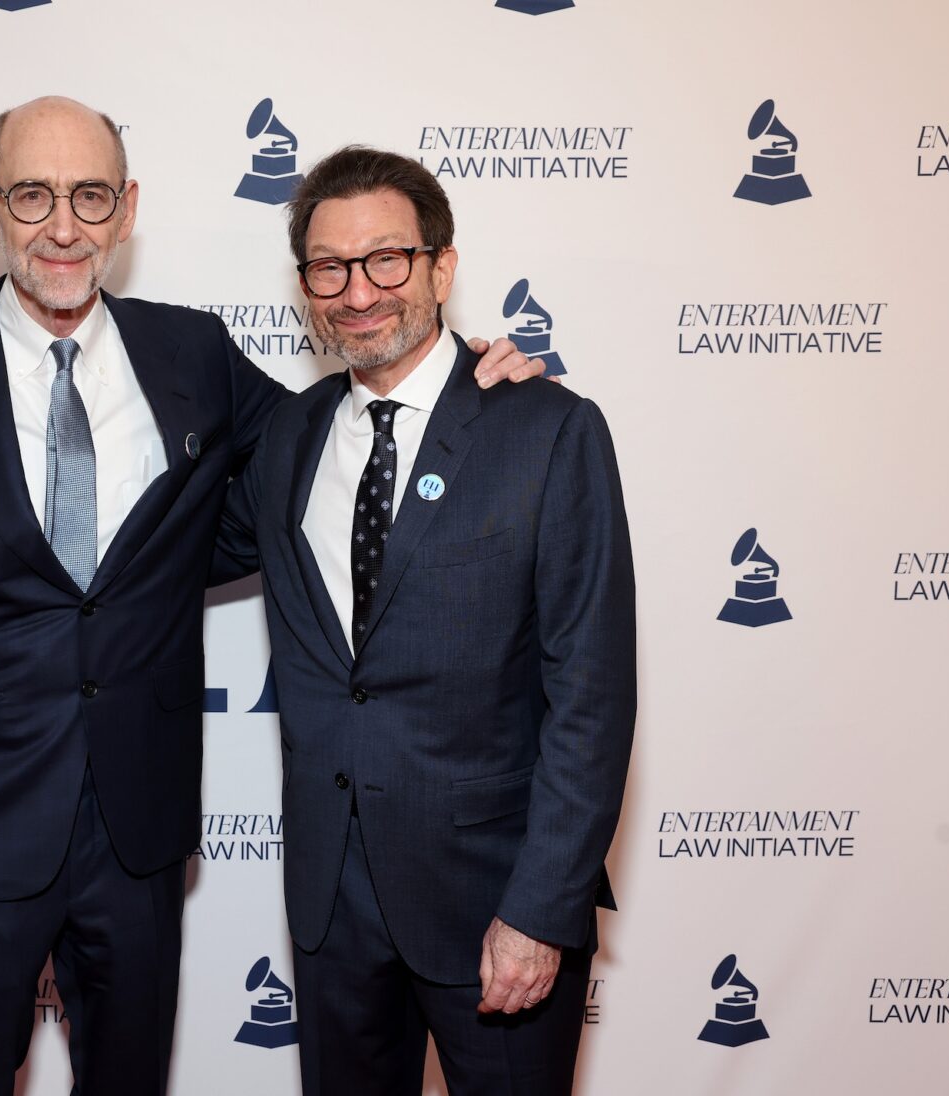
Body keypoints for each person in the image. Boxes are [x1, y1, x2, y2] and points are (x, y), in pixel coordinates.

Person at [0, 98, 541, 1096]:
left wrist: (469, 385)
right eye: (32, 196)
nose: (63, 226)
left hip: (140, 832)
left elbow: (339, 437)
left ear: (126, 210)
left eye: (90, 196)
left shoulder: (190, 354)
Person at [214, 145, 636, 1095]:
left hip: (495, 902)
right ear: (304, 286)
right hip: (331, 907)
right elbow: (161, 554)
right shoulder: (289, 438)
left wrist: (541, 910)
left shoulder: (547, 431)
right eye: (330, 267)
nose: (359, 291)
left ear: (442, 268)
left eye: (387, 259)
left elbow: (592, 699)